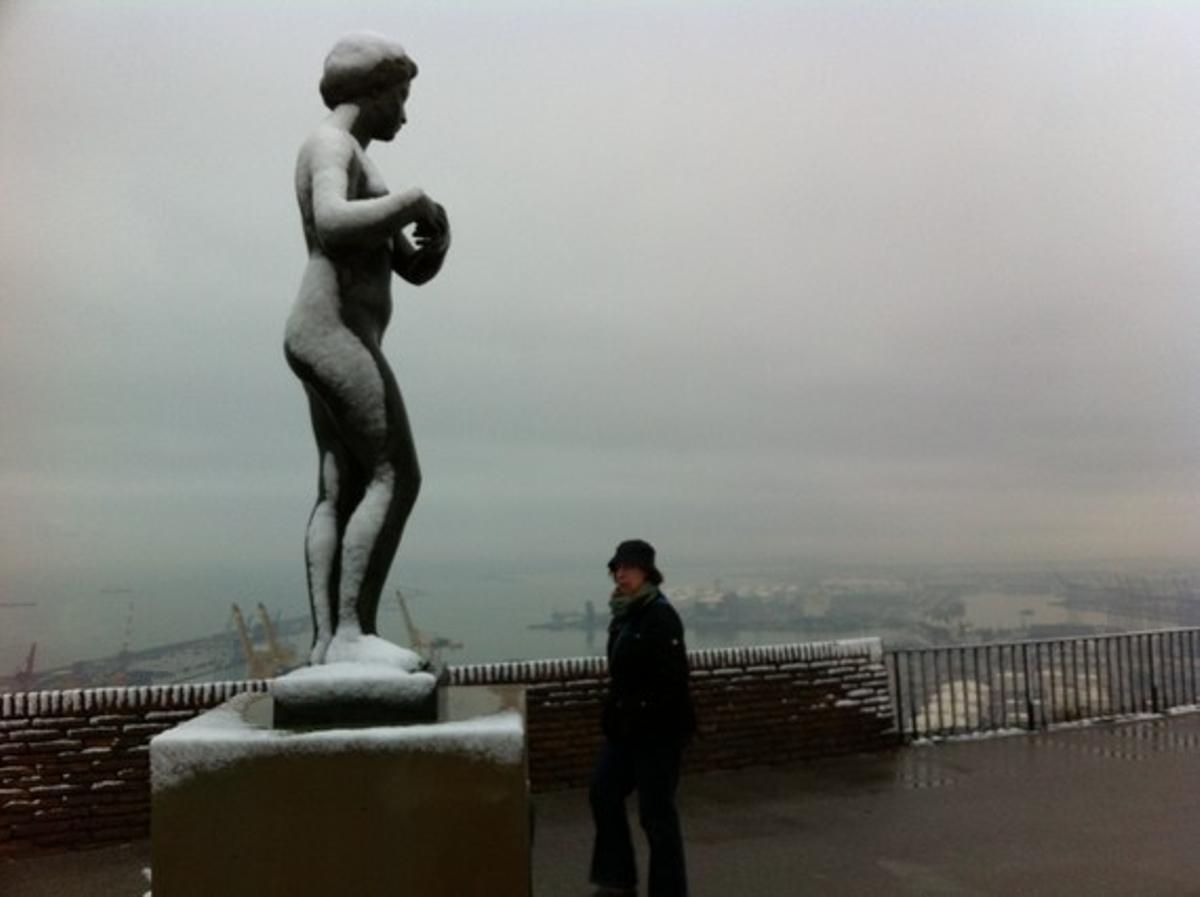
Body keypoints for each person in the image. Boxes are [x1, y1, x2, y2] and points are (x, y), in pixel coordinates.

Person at [283, 33, 450, 666]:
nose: (403, 114)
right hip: (333, 332)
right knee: (395, 473)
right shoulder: (330, 145)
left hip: (325, 332)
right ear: (372, 91)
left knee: (340, 487)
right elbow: (330, 223)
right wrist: (408, 201)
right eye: (399, 98)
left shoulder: (356, 156)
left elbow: (405, 267)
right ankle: (350, 633)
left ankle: (329, 642)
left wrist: (433, 243)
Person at [590, 540, 695, 897]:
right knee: (603, 793)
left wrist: (640, 713)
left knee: (657, 817)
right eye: (617, 568)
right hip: (625, 731)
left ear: (646, 572)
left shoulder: (660, 616)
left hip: (658, 734)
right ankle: (617, 879)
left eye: (628, 567)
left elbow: (673, 682)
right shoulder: (624, 614)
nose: (621, 574)